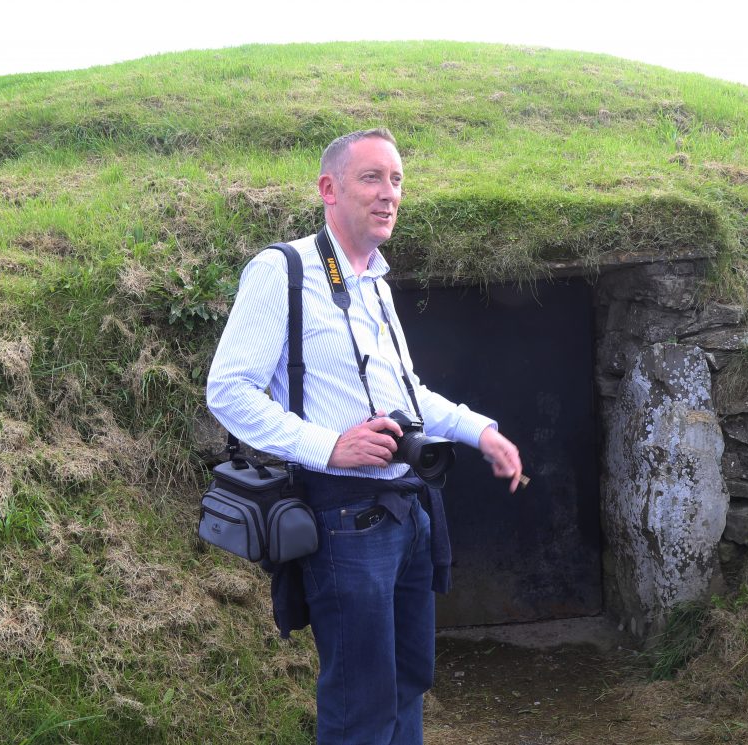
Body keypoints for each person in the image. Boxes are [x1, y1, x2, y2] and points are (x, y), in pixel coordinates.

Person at [206, 127, 522, 745]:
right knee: (362, 705)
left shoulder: (374, 280)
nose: (389, 194)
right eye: (372, 178)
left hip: (409, 513)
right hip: (343, 521)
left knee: (408, 681)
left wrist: (480, 431)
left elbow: (409, 395)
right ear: (329, 188)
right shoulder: (284, 270)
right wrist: (328, 446)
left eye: (397, 180)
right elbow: (229, 390)